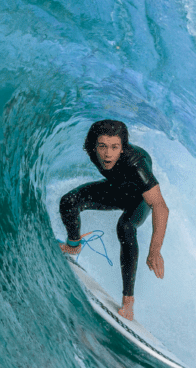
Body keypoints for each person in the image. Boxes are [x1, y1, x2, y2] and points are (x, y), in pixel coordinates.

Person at [59, 120, 169, 321]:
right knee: (69, 202)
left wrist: (155, 250)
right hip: (117, 190)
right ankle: (73, 246)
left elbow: (160, 206)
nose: (108, 154)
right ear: (94, 146)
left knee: (125, 227)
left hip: (138, 199)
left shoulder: (135, 164)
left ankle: (128, 303)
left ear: (123, 147)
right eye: (102, 146)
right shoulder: (94, 152)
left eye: (115, 147)